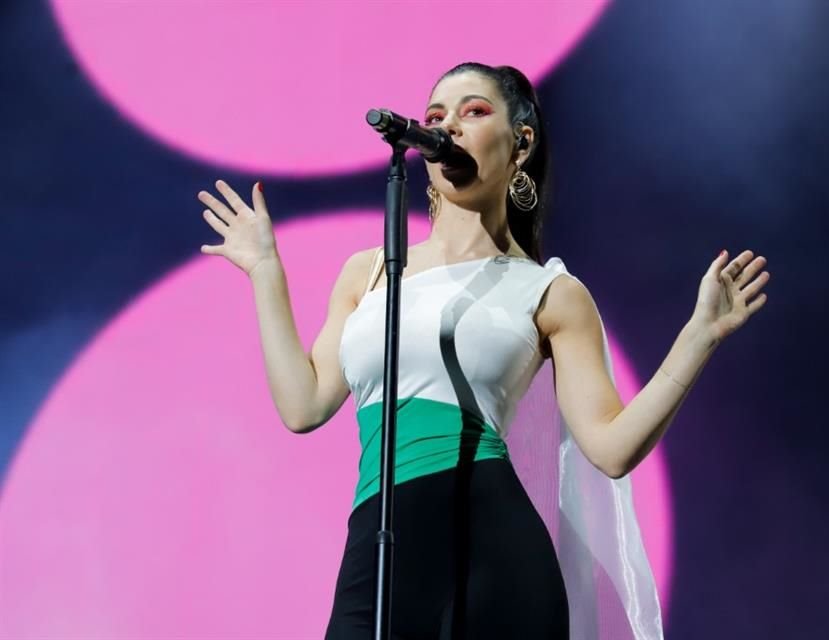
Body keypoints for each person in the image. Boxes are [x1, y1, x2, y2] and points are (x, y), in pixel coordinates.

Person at [197, 62, 769, 640]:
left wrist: (699, 336)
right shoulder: (367, 274)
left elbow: (611, 447)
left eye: (474, 111)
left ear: (520, 142)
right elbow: (303, 406)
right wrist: (265, 271)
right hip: (378, 540)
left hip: (491, 549)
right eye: (436, 117)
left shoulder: (548, 292)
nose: (449, 127)